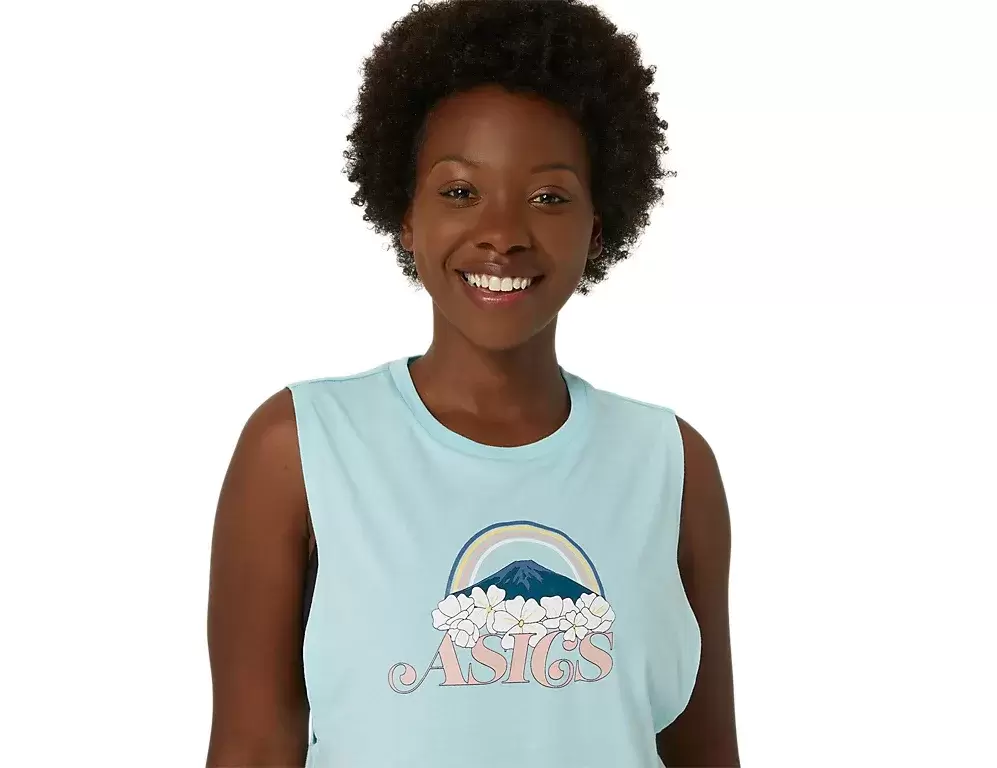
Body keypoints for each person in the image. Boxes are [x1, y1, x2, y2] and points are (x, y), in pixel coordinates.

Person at [205, 1, 739, 766]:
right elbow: (253, 747)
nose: (503, 234)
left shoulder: (671, 464)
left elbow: (705, 752)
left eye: (549, 197)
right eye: (460, 192)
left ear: (596, 228)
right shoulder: (300, 449)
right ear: (406, 217)